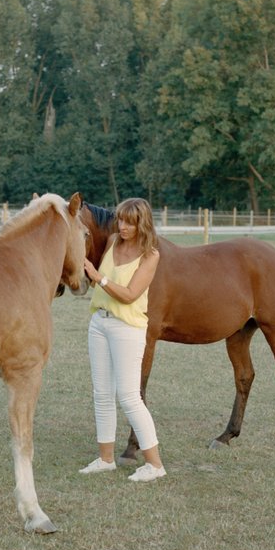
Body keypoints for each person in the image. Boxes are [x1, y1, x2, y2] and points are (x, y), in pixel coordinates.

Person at [79, 198, 167, 482]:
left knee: (129, 396)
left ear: (142, 223)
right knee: (101, 394)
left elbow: (130, 294)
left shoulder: (150, 255)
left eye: (129, 221)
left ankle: (154, 464)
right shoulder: (113, 241)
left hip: (127, 328)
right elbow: (96, 281)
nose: (123, 226)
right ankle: (106, 459)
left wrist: (97, 276)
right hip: (99, 323)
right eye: (120, 220)